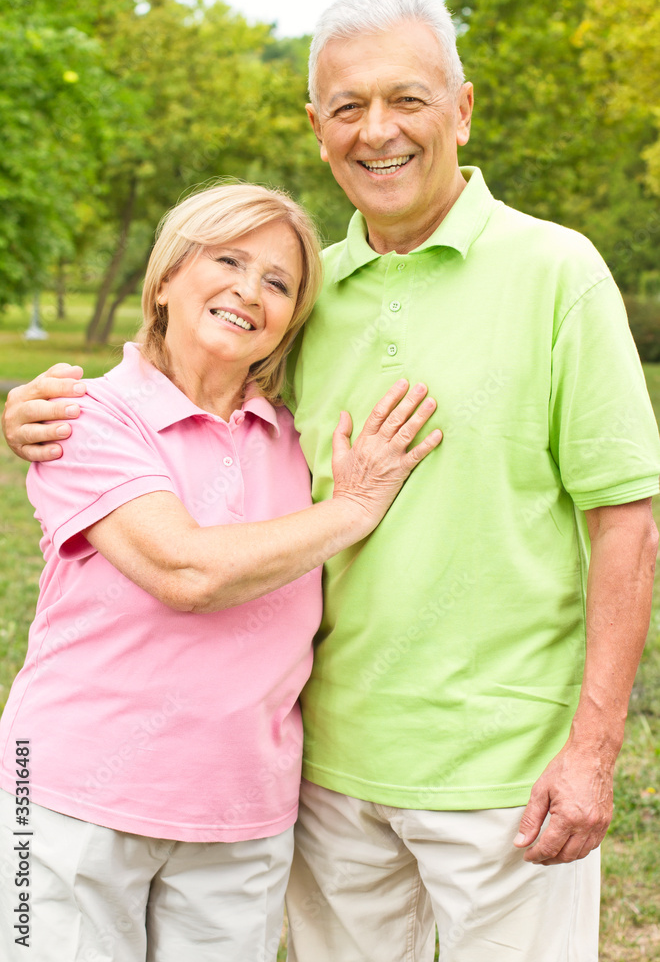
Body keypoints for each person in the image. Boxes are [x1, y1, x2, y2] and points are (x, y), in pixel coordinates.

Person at [4, 0, 660, 962]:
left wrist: (595, 750)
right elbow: (186, 489)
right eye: (348, 107)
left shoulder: (556, 272)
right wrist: (29, 410)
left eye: (408, 99)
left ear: (463, 108)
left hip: (500, 774)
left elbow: (628, 523)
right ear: (317, 128)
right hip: (312, 781)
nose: (378, 130)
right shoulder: (309, 305)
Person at [0, 181, 442, 962]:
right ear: (166, 277)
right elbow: (187, 572)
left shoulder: (295, 435)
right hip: (72, 799)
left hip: (241, 815)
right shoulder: (88, 414)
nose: (250, 290)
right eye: (228, 259)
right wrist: (354, 508)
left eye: (278, 283)